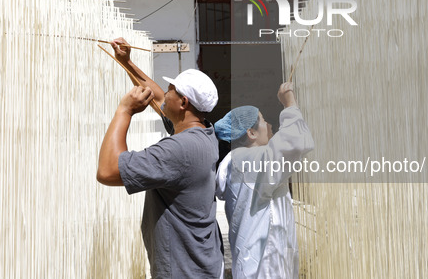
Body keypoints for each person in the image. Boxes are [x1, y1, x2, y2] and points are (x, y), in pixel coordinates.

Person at [96, 38, 224, 279]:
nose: (166, 94)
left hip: (182, 271)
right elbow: (157, 98)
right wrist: (127, 62)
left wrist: (124, 111)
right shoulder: (204, 132)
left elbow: (107, 170)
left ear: (184, 102)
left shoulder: (178, 150)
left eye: (171, 90)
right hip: (201, 263)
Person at [214, 83, 314, 279]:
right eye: (264, 120)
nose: (269, 125)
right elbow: (295, 144)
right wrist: (289, 103)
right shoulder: (247, 161)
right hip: (263, 269)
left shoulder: (240, 162)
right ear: (251, 133)